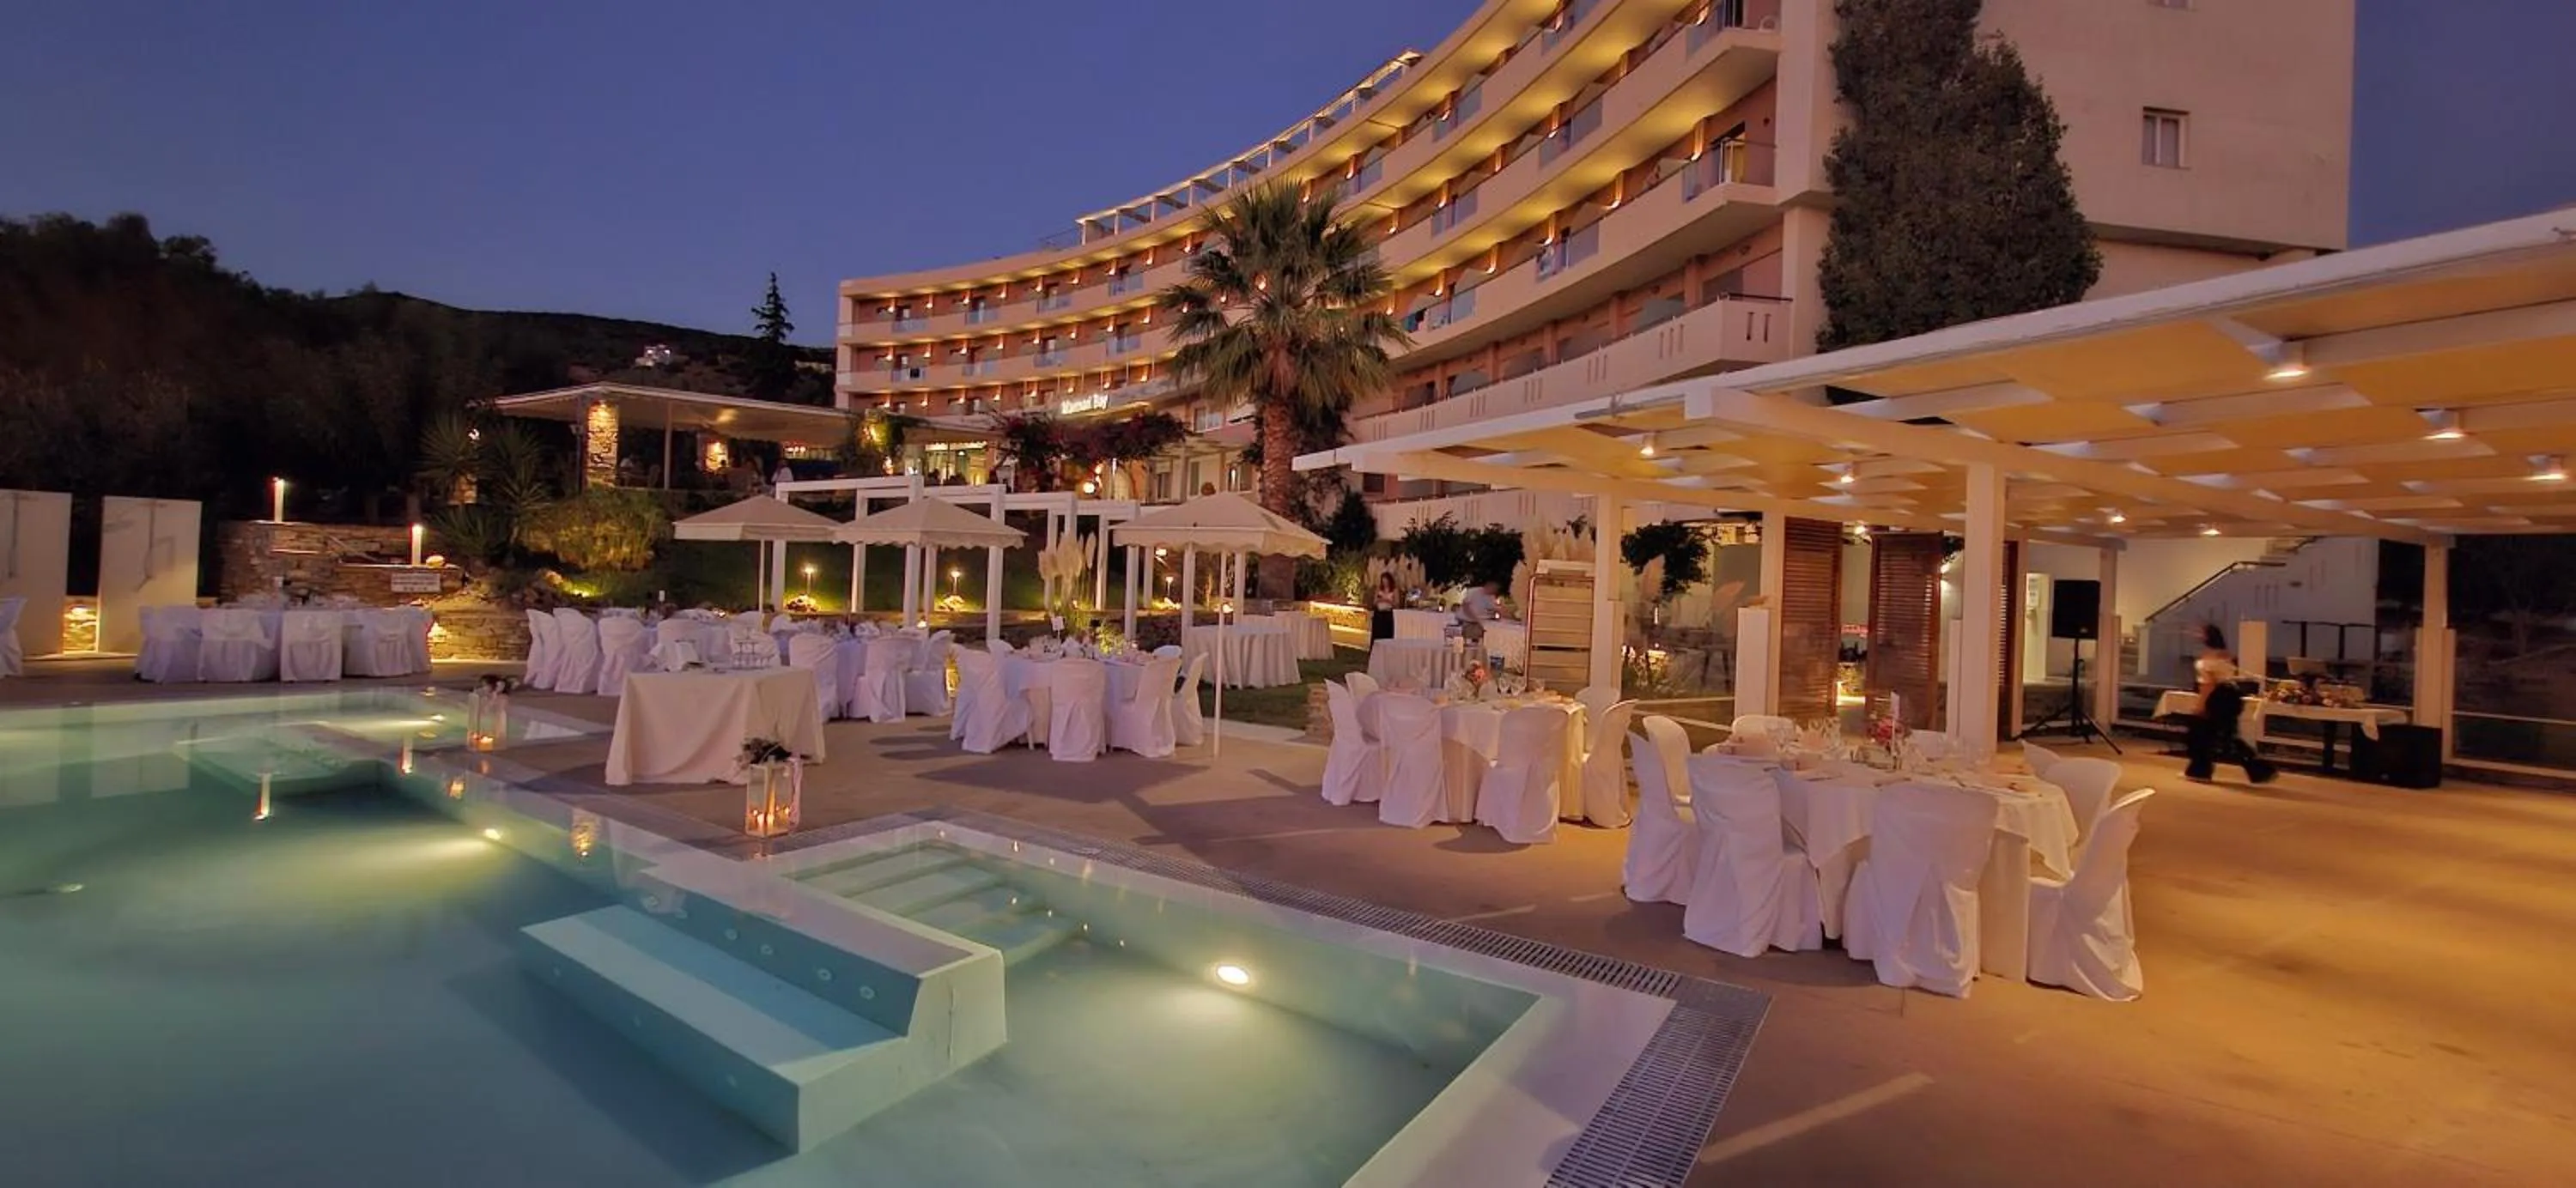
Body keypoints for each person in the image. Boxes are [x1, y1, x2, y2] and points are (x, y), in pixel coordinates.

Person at [2186, 623, 2276, 785]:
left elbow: (2209, 683)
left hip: (2217, 695)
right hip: (2231, 695)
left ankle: (2200, 770)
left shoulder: (2210, 657)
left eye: (2200, 632)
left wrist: (2201, 704)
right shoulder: (2224, 654)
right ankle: (2259, 770)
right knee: (2227, 735)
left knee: (2200, 732)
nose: (2196, 635)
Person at [1455, 579, 1504, 646]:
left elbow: (1494, 609)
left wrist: (1497, 613)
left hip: (1479, 621)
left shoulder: (1491, 597)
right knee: (1471, 631)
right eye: (1494, 588)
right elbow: (1465, 606)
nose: (1494, 590)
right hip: (1466, 619)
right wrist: (1474, 618)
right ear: (1488, 585)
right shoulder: (1474, 592)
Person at [1370, 572, 1400, 641]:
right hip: (1379, 613)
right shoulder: (1379, 589)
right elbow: (1374, 602)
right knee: (1377, 633)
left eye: (1386, 581)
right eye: (1383, 581)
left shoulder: (1394, 590)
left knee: (1386, 634)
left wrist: (1389, 601)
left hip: (1388, 614)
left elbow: (1397, 604)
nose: (1385, 583)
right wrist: (1380, 600)